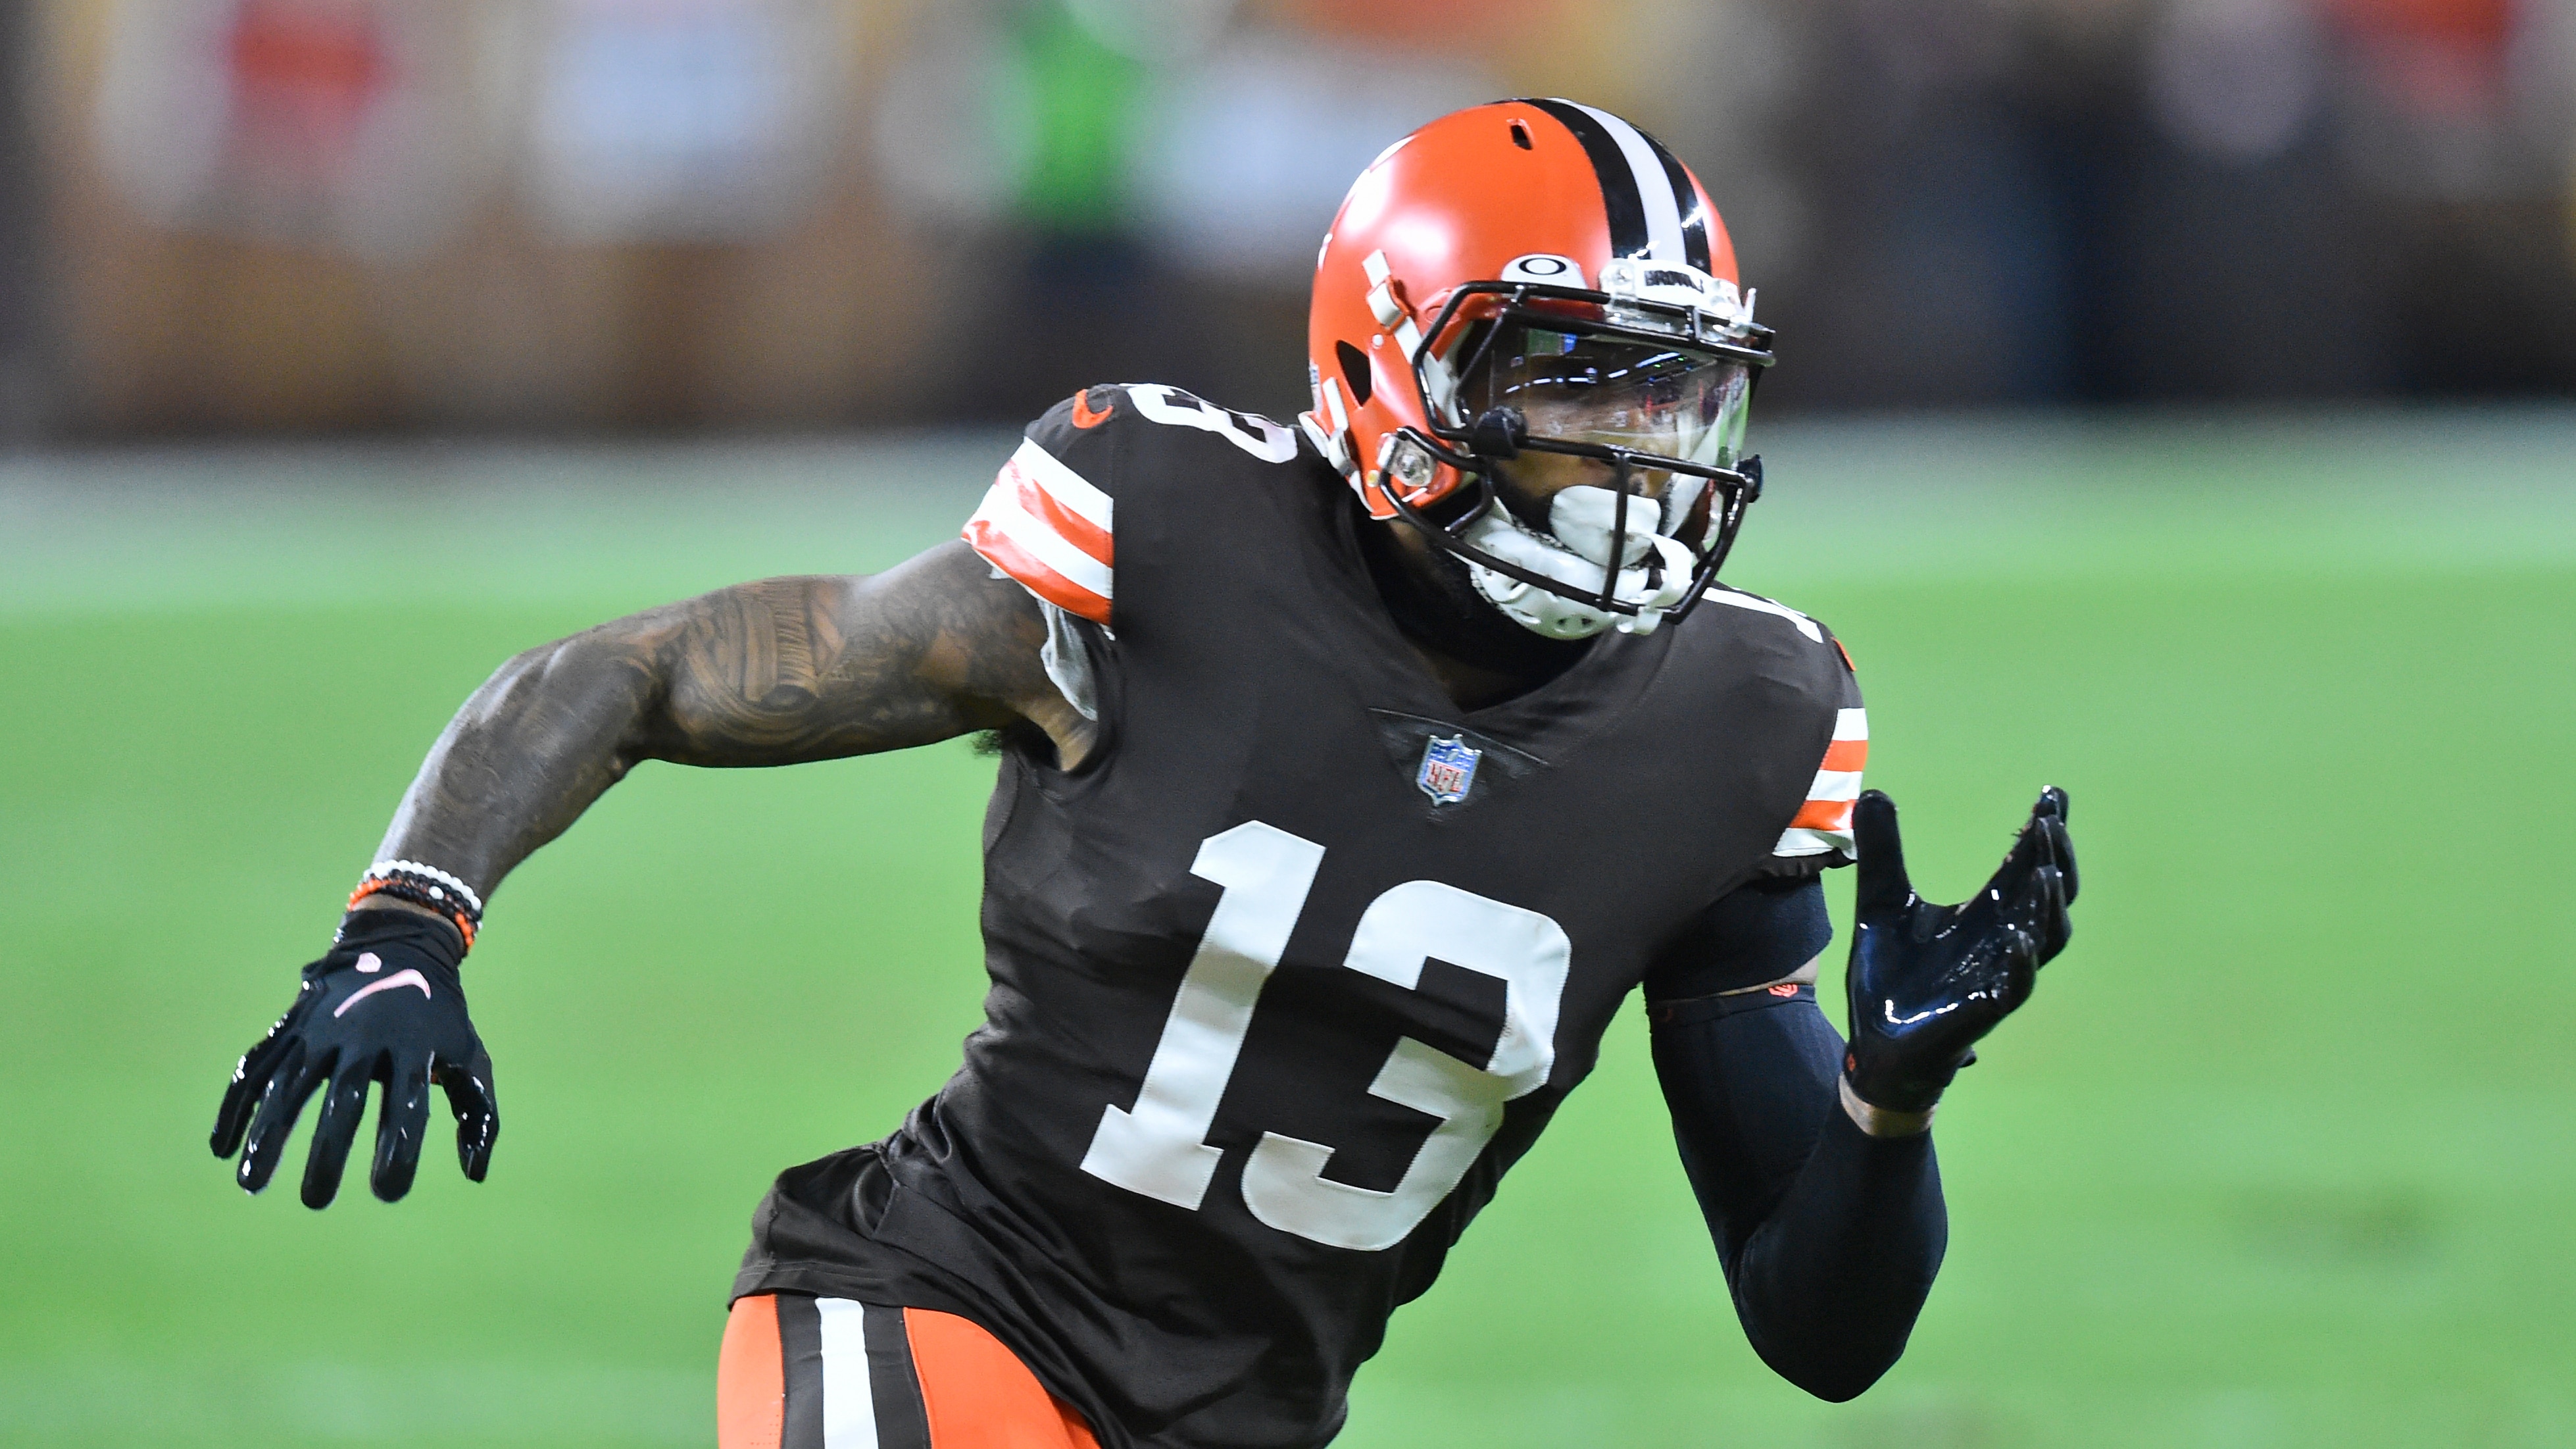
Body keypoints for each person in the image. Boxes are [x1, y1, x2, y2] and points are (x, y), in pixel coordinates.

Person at [211, 99, 2076, 1449]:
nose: (1638, 453)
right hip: (937, 1305)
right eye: (1573, 383)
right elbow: (647, 668)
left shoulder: (1739, 716)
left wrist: (1883, 1106)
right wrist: (409, 915)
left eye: (1669, 394)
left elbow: (1818, 1336)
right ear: (1396, 374)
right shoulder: (1161, 532)